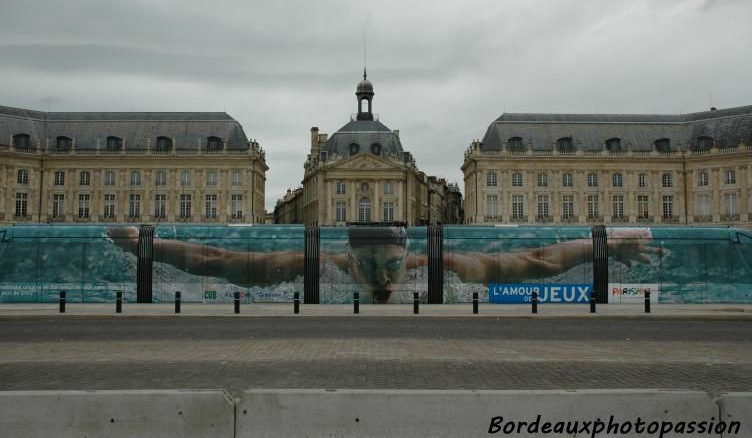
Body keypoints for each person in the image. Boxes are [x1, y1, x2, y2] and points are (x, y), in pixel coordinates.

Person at [109, 226, 660, 303]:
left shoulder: (443, 269)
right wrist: (149, 246)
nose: (380, 278)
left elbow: (532, 260)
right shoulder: (317, 267)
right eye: (369, 265)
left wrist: (599, 245)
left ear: (409, 257)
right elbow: (220, 259)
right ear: (349, 259)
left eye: (390, 265)